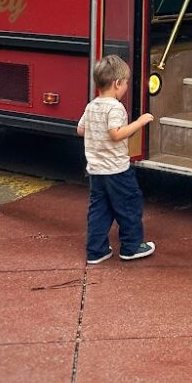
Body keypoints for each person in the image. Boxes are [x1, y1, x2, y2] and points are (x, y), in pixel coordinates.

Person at [77, 54, 155, 264]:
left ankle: (96, 250)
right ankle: (131, 247)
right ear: (117, 83)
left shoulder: (92, 105)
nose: (127, 87)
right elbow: (116, 133)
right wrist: (139, 122)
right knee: (129, 206)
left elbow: (81, 129)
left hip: (96, 170)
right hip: (117, 170)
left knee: (99, 210)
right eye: (126, 83)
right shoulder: (115, 107)